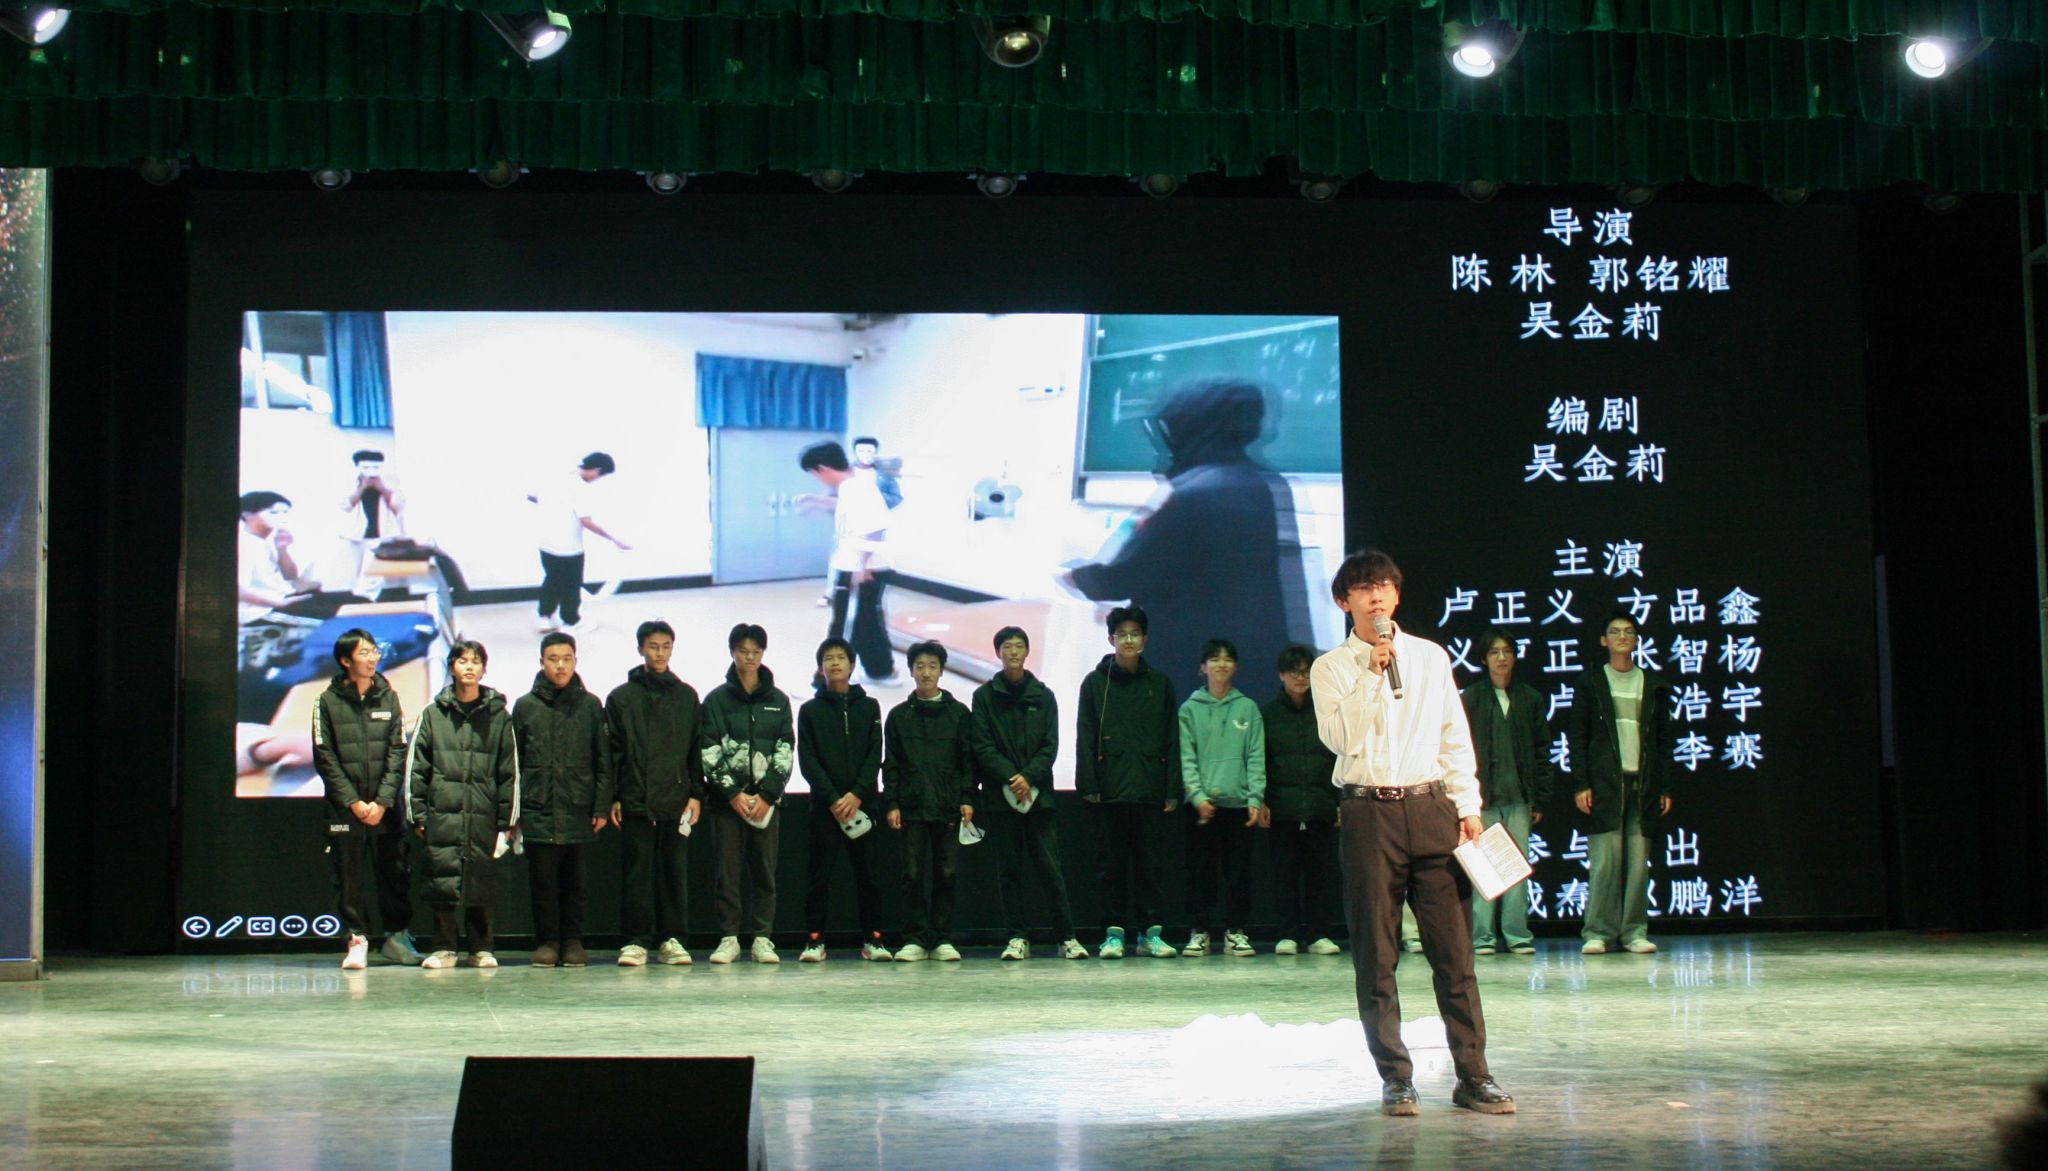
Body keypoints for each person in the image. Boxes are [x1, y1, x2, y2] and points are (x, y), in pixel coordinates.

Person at [1310, 549, 1514, 1116]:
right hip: (1367, 812)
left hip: (1431, 808)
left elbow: (1453, 736)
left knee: (1455, 953)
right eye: (1362, 587)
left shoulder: (1429, 656)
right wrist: (1371, 675)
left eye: (1384, 585)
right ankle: (1396, 1078)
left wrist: (1468, 804)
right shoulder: (1332, 668)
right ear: (1343, 601)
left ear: (1397, 595)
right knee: (1377, 954)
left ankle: (1474, 1075)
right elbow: (1339, 740)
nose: (1375, 595)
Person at [1064, 379, 1315, 698]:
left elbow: (1127, 575)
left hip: (1190, 668)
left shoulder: (1192, 493)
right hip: (1253, 664)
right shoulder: (1264, 482)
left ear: (1192, 427)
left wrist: (1074, 576)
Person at [971, 626, 1086, 961]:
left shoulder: (1043, 695)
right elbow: (982, 745)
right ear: (998, 652)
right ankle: (1017, 937)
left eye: (1019, 646)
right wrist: (1011, 777)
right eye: (1007, 646)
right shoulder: (984, 696)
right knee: (1009, 872)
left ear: (1027, 651)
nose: (1013, 652)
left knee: (1051, 870)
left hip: (1039, 798)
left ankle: (1067, 937)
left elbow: (1050, 745)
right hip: (1000, 798)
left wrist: (1029, 777)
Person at [1075, 605, 1181, 959]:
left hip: (1150, 789)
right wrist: (1089, 784)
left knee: (1150, 867)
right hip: (1109, 791)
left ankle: (1151, 934)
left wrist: (1171, 789)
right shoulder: (1095, 683)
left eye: (1135, 634)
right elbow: (1085, 735)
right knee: (1111, 867)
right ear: (1111, 639)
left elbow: (1171, 738)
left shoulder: (1160, 684)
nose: (1129, 640)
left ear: (1145, 639)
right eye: (1122, 634)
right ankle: (1114, 934)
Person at [406, 640, 519, 970]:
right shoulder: (433, 714)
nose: (469, 667)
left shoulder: (499, 716)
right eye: (462, 660)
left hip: (484, 815)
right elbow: (417, 768)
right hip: (443, 814)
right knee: (443, 881)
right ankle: (444, 948)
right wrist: (418, 814)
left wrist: (506, 821)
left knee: (482, 882)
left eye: (475, 661)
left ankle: (481, 948)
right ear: (452, 667)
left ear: (484, 669)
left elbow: (509, 772)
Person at [1565, 612, 1673, 956]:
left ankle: (1634, 931)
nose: (1622, 636)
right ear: (1604, 640)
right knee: (1605, 863)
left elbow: (1663, 740)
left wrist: (1665, 787)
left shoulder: (1652, 683)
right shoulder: (1591, 682)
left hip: (1643, 784)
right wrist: (1581, 783)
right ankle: (1597, 931)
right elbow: (1578, 737)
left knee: (1638, 863)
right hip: (1605, 785)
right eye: (1614, 631)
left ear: (1637, 640)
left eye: (1628, 632)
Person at [312, 628, 419, 969]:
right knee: (349, 877)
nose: (373, 658)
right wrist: (354, 802)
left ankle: (396, 938)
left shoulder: (388, 697)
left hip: (386, 808)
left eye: (374, 651)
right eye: (364, 653)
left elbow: (398, 750)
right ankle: (356, 938)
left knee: (394, 873)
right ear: (346, 661)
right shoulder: (326, 702)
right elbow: (324, 756)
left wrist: (383, 801)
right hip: (345, 809)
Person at [512, 632, 614, 969]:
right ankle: (547, 941)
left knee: (575, 882)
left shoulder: (590, 705)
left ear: (575, 661)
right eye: (553, 659)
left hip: (579, 807)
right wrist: (515, 810)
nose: (560, 666)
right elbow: (515, 762)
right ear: (542, 662)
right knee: (542, 882)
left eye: (567, 659)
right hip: (538, 806)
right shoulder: (525, 706)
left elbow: (603, 760)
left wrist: (601, 805)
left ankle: (572, 941)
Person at [606, 620, 705, 967]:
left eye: (665, 646)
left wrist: (696, 793)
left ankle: (672, 940)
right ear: (640, 649)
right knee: (637, 874)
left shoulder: (686, 696)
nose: (659, 653)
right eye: (653, 646)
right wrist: (615, 796)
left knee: (673, 873)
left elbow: (695, 749)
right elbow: (613, 752)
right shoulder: (621, 697)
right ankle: (635, 941)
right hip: (635, 798)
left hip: (676, 799)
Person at [700, 623, 794, 965]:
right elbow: (709, 750)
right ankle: (729, 938)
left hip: (766, 805)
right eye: (743, 651)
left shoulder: (778, 701)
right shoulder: (716, 700)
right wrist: (733, 794)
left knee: (764, 872)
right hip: (728, 804)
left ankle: (762, 938)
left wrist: (767, 796)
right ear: (732, 652)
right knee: (727, 873)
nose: (749, 657)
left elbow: (785, 750)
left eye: (755, 651)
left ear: (763, 653)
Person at [797, 637, 890, 962]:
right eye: (828, 658)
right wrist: (834, 798)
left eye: (841, 657)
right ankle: (814, 940)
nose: (835, 663)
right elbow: (808, 759)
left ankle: (873, 939)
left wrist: (856, 794)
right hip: (826, 809)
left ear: (851, 665)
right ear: (820, 667)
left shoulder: (869, 706)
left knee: (869, 877)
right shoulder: (809, 710)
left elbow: (874, 754)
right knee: (818, 877)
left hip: (863, 806)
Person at [1461, 629, 1553, 957]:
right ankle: (1482, 936)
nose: (1501, 658)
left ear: (1514, 656)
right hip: (1482, 799)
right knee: (1482, 871)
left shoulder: (1530, 698)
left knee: (1516, 868)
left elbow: (1543, 750)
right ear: (1484, 659)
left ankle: (1516, 934)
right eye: (1494, 652)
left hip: (1518, 796)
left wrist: (1539, 797)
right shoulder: (1471, 698)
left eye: (1507, 652)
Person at [883, 640, 975, 962]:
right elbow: (891, 764)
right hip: (911, 806)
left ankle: (941, 939)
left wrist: (967, 797)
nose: (926, 673)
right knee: (912, 875)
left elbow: (968, 761)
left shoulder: (959, 714)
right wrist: (891, 802)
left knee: (946, 874)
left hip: (948, 806)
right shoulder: (898, 716)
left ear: (941, 671)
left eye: (932, 666)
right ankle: (915, 939)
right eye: (920, 666)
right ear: (911, 671)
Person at [1177, 638, 1267, 957]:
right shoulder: (1189, 709)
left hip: (1239, 805)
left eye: (1227, 659)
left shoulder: (1248, 708)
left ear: (1236, 667)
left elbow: (1255, 756)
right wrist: (1197, 795)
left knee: (1238, 873)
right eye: (1214, 659)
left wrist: (1255, 798)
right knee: (1200, 873)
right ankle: (1199, 931)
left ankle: (1236, 931)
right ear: (1203, 668)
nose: (1221, 664)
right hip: (1201, 807)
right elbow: (1186, 757)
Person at [1262, 644, 1342, 957]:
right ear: (1281, 675)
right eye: (1294, 672)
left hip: (1321, 806)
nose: (1300, 677)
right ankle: (1287, 933)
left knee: (1320, 876)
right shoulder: (1268, 715)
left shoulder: (1325, 712)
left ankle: (1320, 933)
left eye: (1306, 671)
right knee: (1284, 876)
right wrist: (1263, 800)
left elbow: (1338, 758)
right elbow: (1262, 761)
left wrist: (1339, 800)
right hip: (1282, 809)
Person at [801, 441, 895, 683]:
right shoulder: (851, 487)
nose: (818, 480)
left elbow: (875, 529)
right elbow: (848, 509)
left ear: (823, 469)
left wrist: (864, 568)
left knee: (843, 625)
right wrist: (815, 501)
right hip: (859, 564)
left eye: (815, 475)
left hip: (861, 568)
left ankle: (826, 682)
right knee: (866, 622)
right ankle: (881, 671)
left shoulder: (858, 489)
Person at [528, 452, 630, 634]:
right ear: (597, 470)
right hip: (568, 547)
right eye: (601, 475)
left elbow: (532, 497)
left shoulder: (556, 478)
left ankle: (545, 617)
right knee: (571, 584)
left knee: (551, 580)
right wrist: (614, 539)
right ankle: (571, 620)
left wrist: (554, 509)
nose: (597, 479)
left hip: (546, 543)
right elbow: (586, 521)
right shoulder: (581, 489)